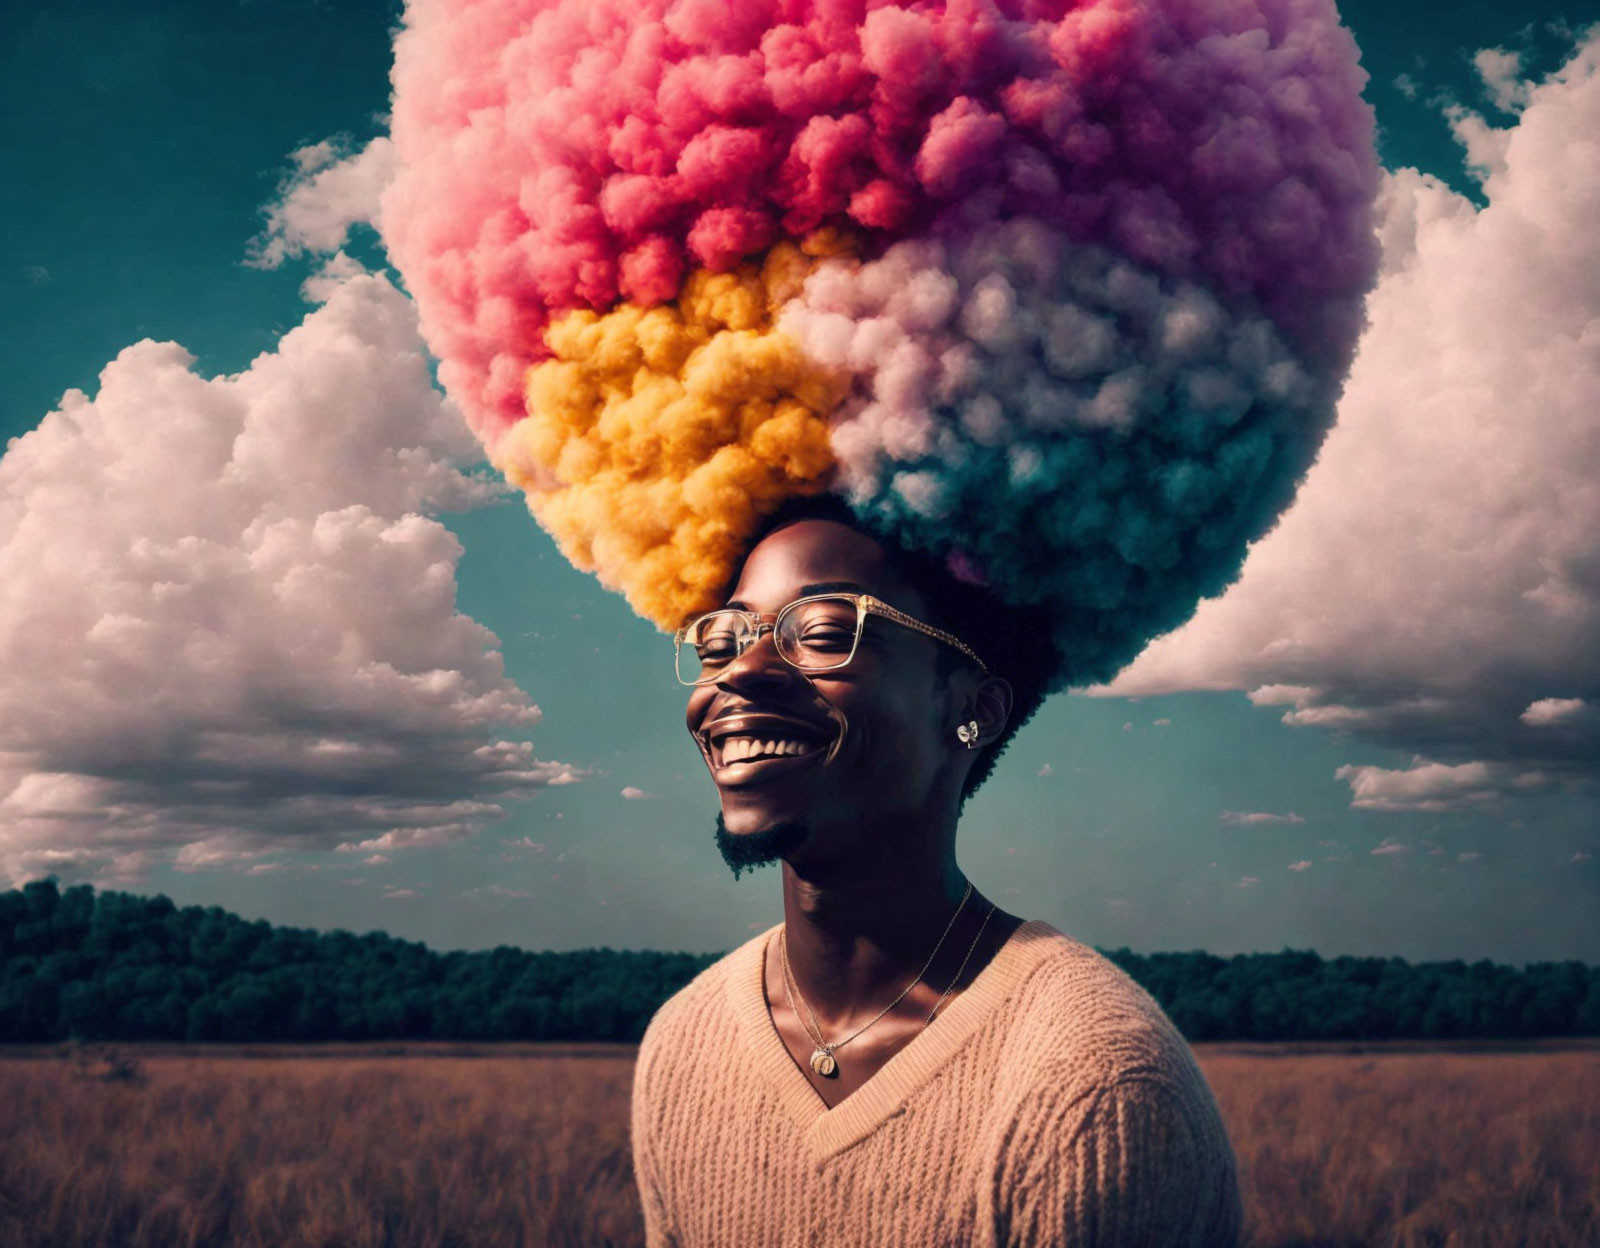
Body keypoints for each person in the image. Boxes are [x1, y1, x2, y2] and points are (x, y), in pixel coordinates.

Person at [630, 495, 1242, 1247]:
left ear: (974, 710)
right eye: (721, 642)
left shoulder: (1096, 1090)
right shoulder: (683, 1045)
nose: (743, 671)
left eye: (822, 633)